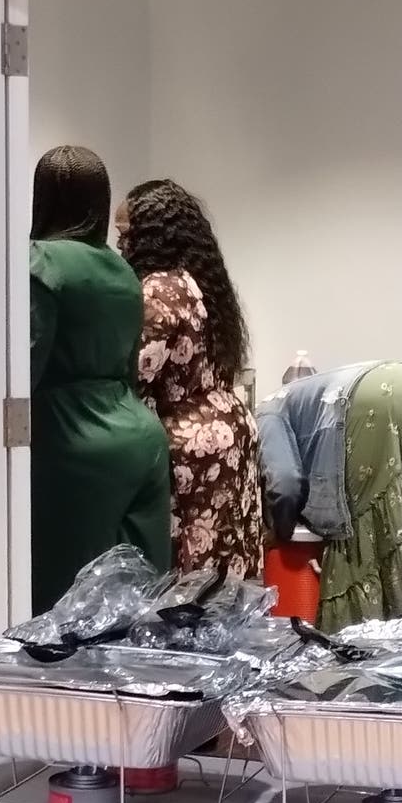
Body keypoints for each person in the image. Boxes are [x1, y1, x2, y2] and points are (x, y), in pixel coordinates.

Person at [25, 146, 170, 611]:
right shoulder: (123, 270)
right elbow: (129, 365)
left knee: (66, 609)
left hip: (71, 441)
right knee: (137, 601)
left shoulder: (41, 262)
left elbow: (28, 364)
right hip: (140, 439)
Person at [114, 179, 266, 581]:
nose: (120, 246)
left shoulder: (159, 290)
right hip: (230, 428)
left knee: (191, 573)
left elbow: (135, 372)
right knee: (227, 566)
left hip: (191, 446)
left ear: (150, 236)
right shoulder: (202, 281)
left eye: (125, 235)